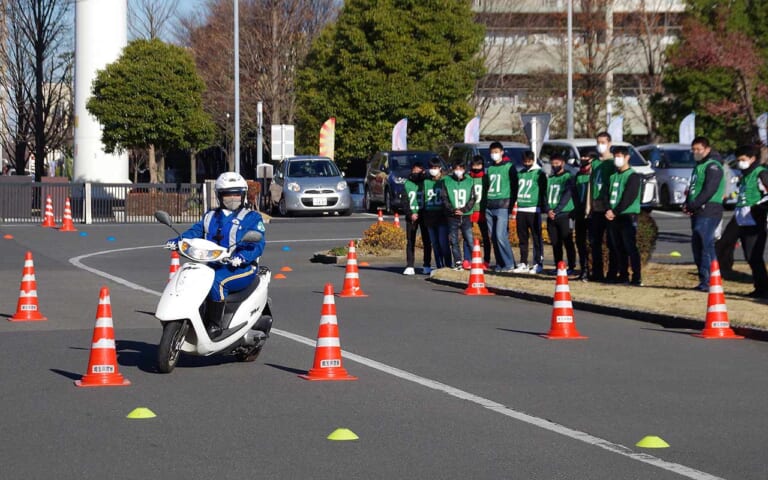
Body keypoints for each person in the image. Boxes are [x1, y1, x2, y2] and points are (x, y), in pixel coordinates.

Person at [166, 171, 266, 336]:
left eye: (237, 194)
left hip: (241, 268)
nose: (232, 198)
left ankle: (214, 325)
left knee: (216, 281)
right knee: (187, 275)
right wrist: (177, 240)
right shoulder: (210, 216)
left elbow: (257, 243)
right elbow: (195, 232)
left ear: (243, 195)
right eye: (227, 194)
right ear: (219, 196)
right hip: (210, 263)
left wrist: (241, 258)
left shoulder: (252, 217)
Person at [683, 136, 725, 291]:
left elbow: (709, 189)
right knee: (698, 245)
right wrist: (687, 204)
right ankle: (704, 279)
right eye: (693, 150)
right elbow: (693, 187)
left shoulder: (713, 166)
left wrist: (695, 203)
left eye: (698, 149)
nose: (695, 152)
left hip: (709, 210)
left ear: (707, 149)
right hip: (697, 210)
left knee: (705, 244)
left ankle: (710, 281)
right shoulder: (698, 166)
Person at [733, 144, 768, 297]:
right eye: (738, 160)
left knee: (755, 256)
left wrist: (758, 207)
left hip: (755, 221)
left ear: (753, 159)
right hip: (744, 221)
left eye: (743, 159)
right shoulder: (746, 174)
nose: (740, 163)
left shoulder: (761, 173)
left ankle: (763, 289)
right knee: (749, 256)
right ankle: (759, 287)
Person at [605, 146, 642, 285]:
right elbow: (607, 195)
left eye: (620, 156)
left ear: (627, 157)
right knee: (617, 247)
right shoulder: (613, 176)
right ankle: (623, 274)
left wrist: (615, 211)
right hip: (613, 216)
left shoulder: (632, 175)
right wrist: (609, 209)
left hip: (627, 215)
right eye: (615, 156)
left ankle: (636, 277)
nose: (617, 159)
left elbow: (629, 197)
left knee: (630, 247)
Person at [484, 142, 518, 272]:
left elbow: (515, 187)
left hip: (503, 204)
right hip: (490, 204)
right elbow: (487, 186)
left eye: (496, 151)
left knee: (500, 235)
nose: (494, 154)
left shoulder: (509, 167)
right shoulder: (490, 168)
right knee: (493, 237)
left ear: (502, 152)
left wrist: (511, 205)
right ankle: (500, 263)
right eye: (492, 152)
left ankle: (509, 263)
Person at [589, 131, 617, 282]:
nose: (600, 145)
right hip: (596, 207)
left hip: (608, 208)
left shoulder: (613, 162)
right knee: (595, 242)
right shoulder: (595, 163)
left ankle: (612, 273)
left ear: (609, 144)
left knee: (612, 243)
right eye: (598, 142)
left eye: (603, 142)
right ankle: (597, 273)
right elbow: (590, 185)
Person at [513, 150, 546, 274]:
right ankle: (523, 262)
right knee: (523, 238)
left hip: (534, 209)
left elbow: (543, 191)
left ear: (533, 160)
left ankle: (538, 262)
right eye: (525, 161)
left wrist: (542, 207)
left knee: (536, 238)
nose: (527, 164)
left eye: (529, 161)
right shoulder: (520, 173)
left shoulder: (539, 173)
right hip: (521, 208)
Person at [442, 158, 476, 270]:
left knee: (469, 239)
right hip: (452, 216)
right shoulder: (446, 181)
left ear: (464, 169)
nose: (458, 170)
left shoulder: (470, 180)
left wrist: (464, 209)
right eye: (456, 168)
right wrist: (452, 209)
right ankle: (458, 262)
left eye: (460, 168)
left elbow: (473, 198)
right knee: (454, 240)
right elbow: (444, 198)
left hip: (465, 215)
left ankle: (475, 261)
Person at [546, 153, 577, 274]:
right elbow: (545, 195)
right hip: (551, 215)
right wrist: (548, 209)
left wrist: (557, 210)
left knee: (567, 241)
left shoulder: (568, 177)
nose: (555, 166)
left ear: (563, 163)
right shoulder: (551, 178)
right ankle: (558, 265)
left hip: (564, 214)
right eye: (553, 164)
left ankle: (572, 266)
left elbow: (567, 195)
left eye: (557, 163)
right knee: (555, 243)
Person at [403, 162, 432, 275]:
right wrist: (410, 214)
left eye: (419, 171)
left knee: (427, 241)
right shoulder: (407, 184)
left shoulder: (426, 182)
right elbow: (404, 202)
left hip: (423, 214)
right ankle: (410, 265)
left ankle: (427, 264)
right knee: (410, 240)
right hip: (412, 215)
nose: (416, 173)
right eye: (414, 171)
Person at [422, 157, 451, 269]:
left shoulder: (445, 180)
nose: (433, 170)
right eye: (431, 168)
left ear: (440, 168)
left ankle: (448, 265)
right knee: (435, 243)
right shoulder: (426, 181)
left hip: (442, 215)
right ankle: (439, 265)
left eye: (435, 168)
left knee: (443, 243)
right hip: (430, 215)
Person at [574, 149, 596, 280]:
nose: (582, 159)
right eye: (581, 156)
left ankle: (593, 270)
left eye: (585, 157)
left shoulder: (594, 174)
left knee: (592, 243)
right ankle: (583, 269)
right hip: (580, 212)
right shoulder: (578, 175)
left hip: (592, 213)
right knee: (580, 242)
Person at [469, 155, 491, 268]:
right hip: (470, 211)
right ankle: (467, 259)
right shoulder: (468, 178)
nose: (476, 167)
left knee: (485, 237)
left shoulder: (486, 178)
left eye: (479, 165)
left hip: (482, 211)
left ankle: (487, 260)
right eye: (474, 165)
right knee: (467, 236)